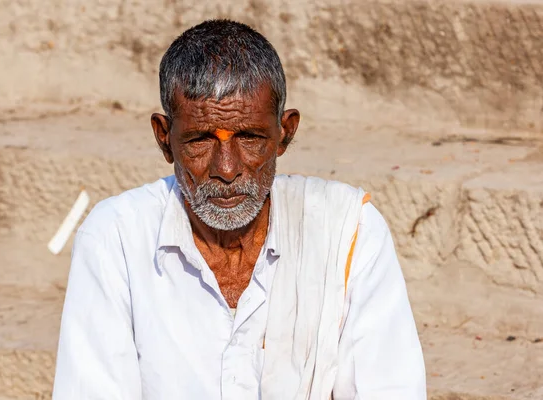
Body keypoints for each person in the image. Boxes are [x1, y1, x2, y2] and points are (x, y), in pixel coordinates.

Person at [52, 19, 426, 399]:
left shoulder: (348, 231)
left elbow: (390, 387)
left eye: (250, 138)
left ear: (285, 134)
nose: (227, 169)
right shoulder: (114, 239)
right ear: (165, 140)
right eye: (200, 140)